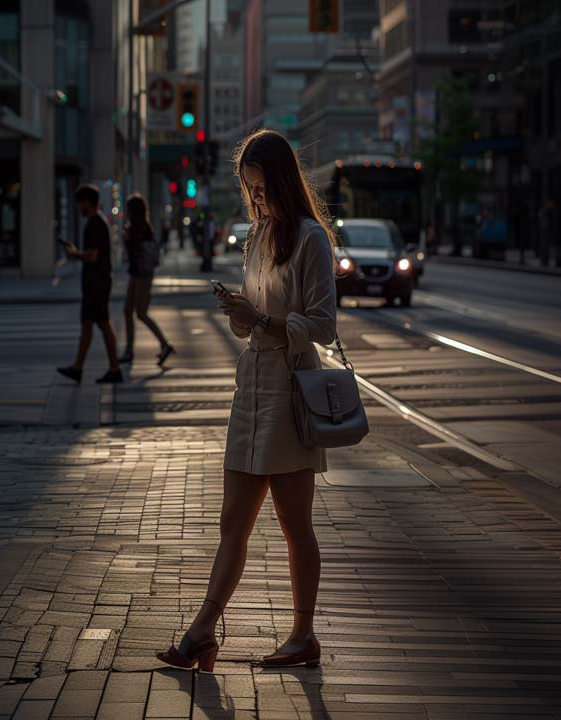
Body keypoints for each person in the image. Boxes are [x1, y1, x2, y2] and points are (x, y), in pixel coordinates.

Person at [156, 129, 337, 671]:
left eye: (262, 188)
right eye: (248, 189)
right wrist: (242, 314)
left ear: (283, 180)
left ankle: (302, 635)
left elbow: (324, 325)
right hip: (251, 390)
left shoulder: (311, 239)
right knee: (231, 521)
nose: (256, 199)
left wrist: (260, 320)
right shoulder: (257, 238)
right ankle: (202, 633)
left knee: (293, 524)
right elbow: (254, 325)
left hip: (290, 395)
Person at [57, 184, 122, 384]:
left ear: (87, 202)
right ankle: (78, 368)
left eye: (78, 202)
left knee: (102, 324)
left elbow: (93, 256)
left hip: (97, 283)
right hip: (95, 283)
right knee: (87, 324)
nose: (77, 206)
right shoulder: (97, 222)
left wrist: (74, 254)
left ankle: (114, 369)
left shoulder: (95, 224)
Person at [120, 193, 175, 366]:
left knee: (140, 313)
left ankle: (165, 345)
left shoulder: (136, 229)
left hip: (140, 275)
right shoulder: (145, 227)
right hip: (139, 274)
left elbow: (135, 255)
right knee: (128, 311)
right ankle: (129, 350)